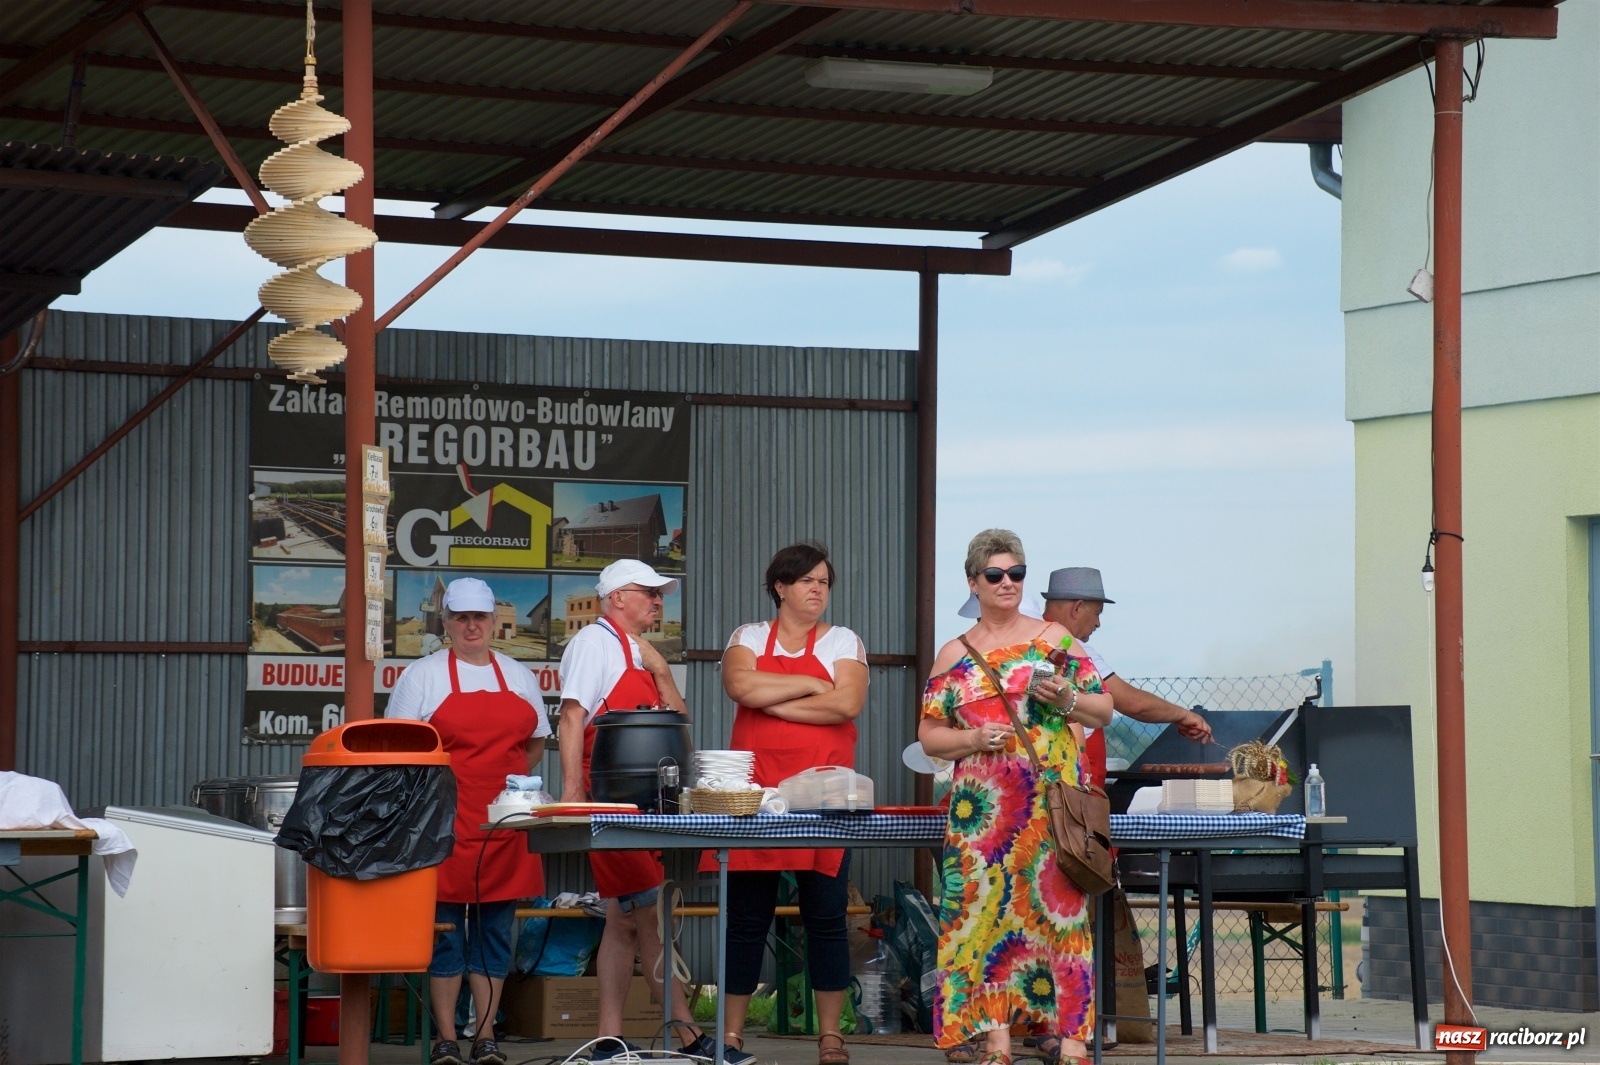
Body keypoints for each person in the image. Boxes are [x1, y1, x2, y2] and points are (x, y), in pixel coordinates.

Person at [918, 530, 1114, 1065]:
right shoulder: (953, 654)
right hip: (982, 814)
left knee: (1061, 921)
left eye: (1017, 574)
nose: (1008, 584)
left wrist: (1070, 698)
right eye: (996, 575)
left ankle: (1074, 1044)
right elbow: (930, 735)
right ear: (973, 582)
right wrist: (973, 740)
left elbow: (1104, 710)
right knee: (984, 923)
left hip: (1051, 810)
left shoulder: (1053, 637)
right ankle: (996, 1043)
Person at [714, 541, 868, 1065]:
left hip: (825, 796)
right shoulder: (748, 636)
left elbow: (847, 702)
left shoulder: (845, 640)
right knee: (746, 920)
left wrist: (773, 699)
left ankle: (830, 1036)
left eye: (824, 582)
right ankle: (731, 1035)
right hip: (755, 796)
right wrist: (808, 684)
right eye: (807, 581)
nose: (818, 590)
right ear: (780, 586)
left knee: (825, 916)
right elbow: (738, 685)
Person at [556, 559, 716, 1064]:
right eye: (649, 592)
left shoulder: (642, 653)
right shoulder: (593, 643)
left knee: (621, 922)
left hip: (650, 809)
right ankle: (691, 1037)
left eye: (660, 593)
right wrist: (575, 798)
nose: (659, 601)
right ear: (618, 596)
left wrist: (663, 670)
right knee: (649, 917)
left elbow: (678, 727)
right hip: (612, 807)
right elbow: (572, 718)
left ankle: (606, 1041)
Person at [387, 577, 550, 1065]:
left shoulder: (519, 675)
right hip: (441, 824)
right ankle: (446, 1040)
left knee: (495, 933)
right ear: (446, 623)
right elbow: (399, 750)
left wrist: (509, 788)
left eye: (480, 617)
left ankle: (486, 1037)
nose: (472, 626)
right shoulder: (423, 676)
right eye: (461, 617)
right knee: (445, 934)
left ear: (495, 621)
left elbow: (536, 742)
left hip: (505, 823)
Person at [1039, 567, 1214, 787]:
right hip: (1074, 785)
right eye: (1097, 613)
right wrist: (1183, 715)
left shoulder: (1030, 640)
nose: (1098, 623)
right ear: (1077, 608)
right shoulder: (1075, 649)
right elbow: (1132, 703)